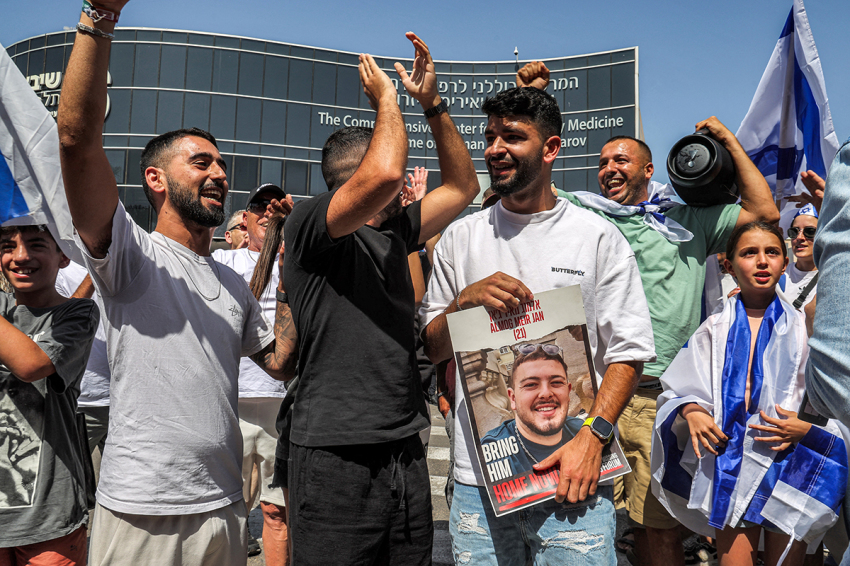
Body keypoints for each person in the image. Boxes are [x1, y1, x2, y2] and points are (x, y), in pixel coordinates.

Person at [56, 1, 298, 563]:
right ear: (155, 179)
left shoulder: (234, 286)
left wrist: (286, 259)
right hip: (143, 512)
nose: (218, 173)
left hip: (222, 508)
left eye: (220, 164)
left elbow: (282, 363)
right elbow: (75, 139)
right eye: (201, 162)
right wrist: (99, 18)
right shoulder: (131, 255)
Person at [514, 61, 781, 566]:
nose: (609, 169)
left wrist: (726, 140)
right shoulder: (584, 213)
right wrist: (529, 99)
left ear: (647, 169)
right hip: (591, 392)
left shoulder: (689, 221)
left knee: (654, 529)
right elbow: (523, 188)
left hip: (658, 398)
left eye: (621, 161)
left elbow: (765, 213)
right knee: (575, 516)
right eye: (603, 162)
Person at [420, 84, 656, 565]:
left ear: (550, 148)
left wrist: (593, 437)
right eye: (489, 136)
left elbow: (629, 352)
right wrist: (462, 303)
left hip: (575, 479)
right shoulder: (460, 240)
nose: (494, 149)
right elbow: (433, 348)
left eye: (512, 136)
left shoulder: (597, 238)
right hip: (478, 486)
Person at [282, 33, 479, 565]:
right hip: (333, 455)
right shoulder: (310, 227)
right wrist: (388, 102)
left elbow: (464, 186)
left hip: (404, 450)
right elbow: (388, 172)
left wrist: (431, 105)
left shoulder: (397, 231)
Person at [652, 221, 847, 566]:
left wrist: (807, 430)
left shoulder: (805, 327)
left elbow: (832, 398)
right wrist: (692, 411)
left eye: (772, 252)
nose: (762, 261)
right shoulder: (714, 327)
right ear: (728, 265)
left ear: (784, 263)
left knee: (787, 560)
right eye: (749, 253)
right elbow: (679, 387)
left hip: (792, 461)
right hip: (732, 461)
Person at [0, 225, 99, 565]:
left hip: (48, 518)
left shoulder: (76, 314)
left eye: (36, 244)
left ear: (63, 255)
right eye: (7, 246)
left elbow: (31, 365)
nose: (21, 256)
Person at [212, 183, 291, 565]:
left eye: (275, 207)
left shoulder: (297, 261)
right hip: (234, 405)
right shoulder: (225, 262)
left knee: (278, 511)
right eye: (259, 206)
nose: (267, 212)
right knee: (231, 511)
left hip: (284, 406)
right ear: (244, 219)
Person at [481, 345, 584, 475]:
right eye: (530, 385)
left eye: (556, 382)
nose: (546, 393)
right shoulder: (491, 450)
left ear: (568, 392)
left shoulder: (586, 432)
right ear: (513, 399)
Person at [779, 205, 818, 310]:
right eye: (794, 231)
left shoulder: (834, 277)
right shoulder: (778, 275)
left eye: (810, 231)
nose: (799, 237)